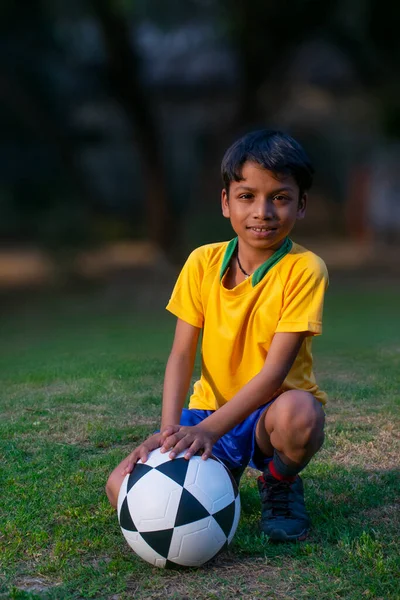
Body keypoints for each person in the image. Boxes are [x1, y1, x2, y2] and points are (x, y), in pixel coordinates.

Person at [106, 129, 328, 542]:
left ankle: (277, 482)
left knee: (303, 415)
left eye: (279, 197)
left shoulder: (305, 269)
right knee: (119, 487)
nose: (262, 211)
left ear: (301, 206)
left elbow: (274, 374)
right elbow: (180, 353)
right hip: (209, 411)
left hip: (269, 413)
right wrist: (172, 433)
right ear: (226, 202)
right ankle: (217, 483)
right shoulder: (202, 262)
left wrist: (209, 433)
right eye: (247, 196)